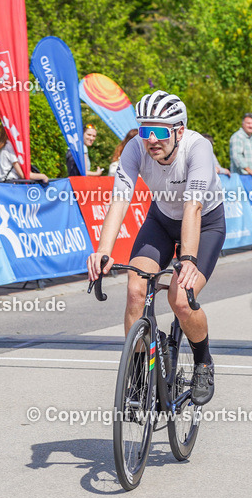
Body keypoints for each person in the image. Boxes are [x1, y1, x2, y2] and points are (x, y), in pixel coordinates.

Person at [87, 91, 225, 405]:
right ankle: (138, 377)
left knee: (180, 299)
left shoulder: (198, 148)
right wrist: (103, 251)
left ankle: (203, 362)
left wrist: (187, 259)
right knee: (135, 290)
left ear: (179, 131)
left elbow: (193, 207)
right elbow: (119, 201)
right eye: (145, 130)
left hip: (204, 224)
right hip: (161, 221)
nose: (151, 139)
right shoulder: (135, 148)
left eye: (159, 131)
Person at [229, 113, 252, 178]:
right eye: (248, 123)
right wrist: (250, 171)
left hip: (250, 177)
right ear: (242, 124)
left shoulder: (250, 138)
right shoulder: (238, 137)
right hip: (240, 178)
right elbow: (237, 156)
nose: (251, 126)